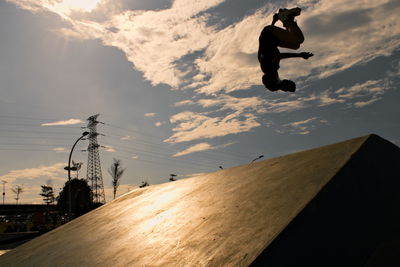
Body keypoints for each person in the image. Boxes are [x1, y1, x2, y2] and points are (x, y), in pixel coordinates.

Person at [258, 7, 313, 92]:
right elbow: (267, 44)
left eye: (287, 86)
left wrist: (299, 55)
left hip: (269, 33)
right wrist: (274, 21)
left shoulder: (271, 71)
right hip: (272, 36)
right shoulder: (267, 68)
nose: (288, 80)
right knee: (295, 45)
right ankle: (284, 18)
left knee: (299, 39)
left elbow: (279, 56)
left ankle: (286, 19)